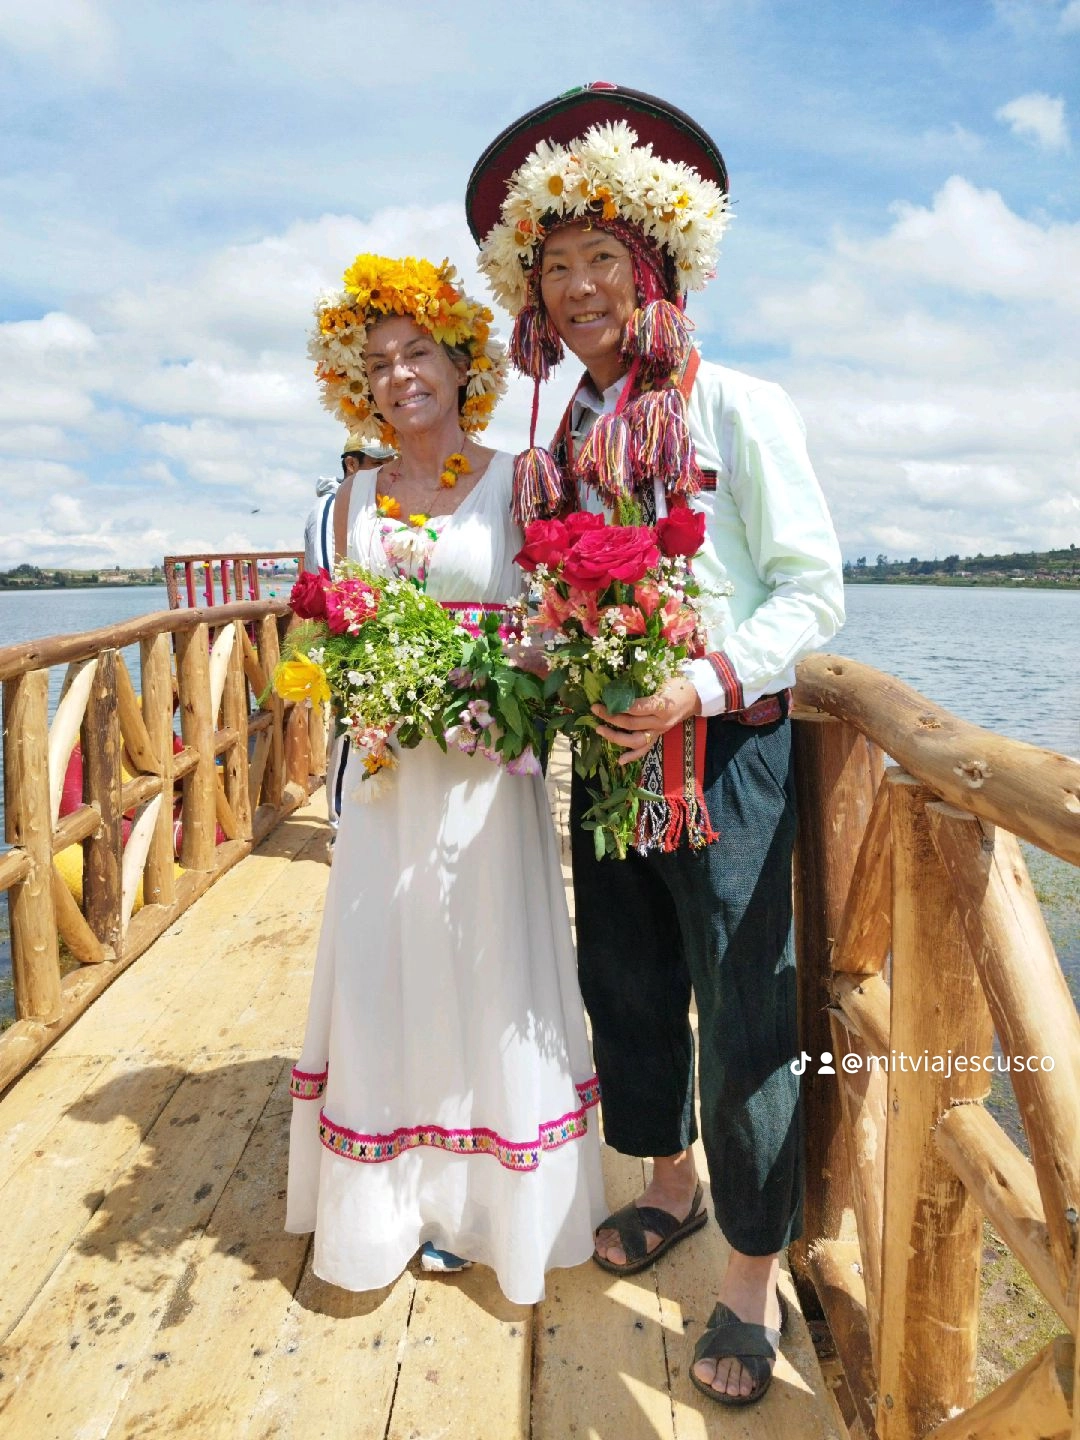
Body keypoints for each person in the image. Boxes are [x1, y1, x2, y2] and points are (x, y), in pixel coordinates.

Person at [467, 85, 844, 1404]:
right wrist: (535, 659)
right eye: (555, 267)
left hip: (724, 756)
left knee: (745, 1013)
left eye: (602, 259)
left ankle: (749, 1278)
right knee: (623, 981)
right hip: (609, 751)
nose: (578, 288)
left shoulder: (738, 404)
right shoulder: (565, 430)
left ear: (656, 267)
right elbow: (553, 586)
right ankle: (668, 1183)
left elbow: (811, 592)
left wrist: (699, 681)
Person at [285, 252, 606, 1305]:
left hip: (485, 776)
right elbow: (321, 628)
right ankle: (391, 1201)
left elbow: (565, 616)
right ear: (359, 387)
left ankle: (486, 1204)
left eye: (418, 351)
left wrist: (509, 664)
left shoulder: (520, 480)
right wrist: (365, 673)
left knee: (486, 956)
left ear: (461, 362)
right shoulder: (343, 504)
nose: (399, 375)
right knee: (390, 962)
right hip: (387, 777)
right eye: (378, 363)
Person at [303, 435, 396, 832]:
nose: (386, 470)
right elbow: (336, 576)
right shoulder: (331, 507)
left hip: (373, 628)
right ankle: (340, 826)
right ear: (352, 465)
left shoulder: (369, 504)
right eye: (377, 463)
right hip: (348, 631)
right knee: (349, 728)